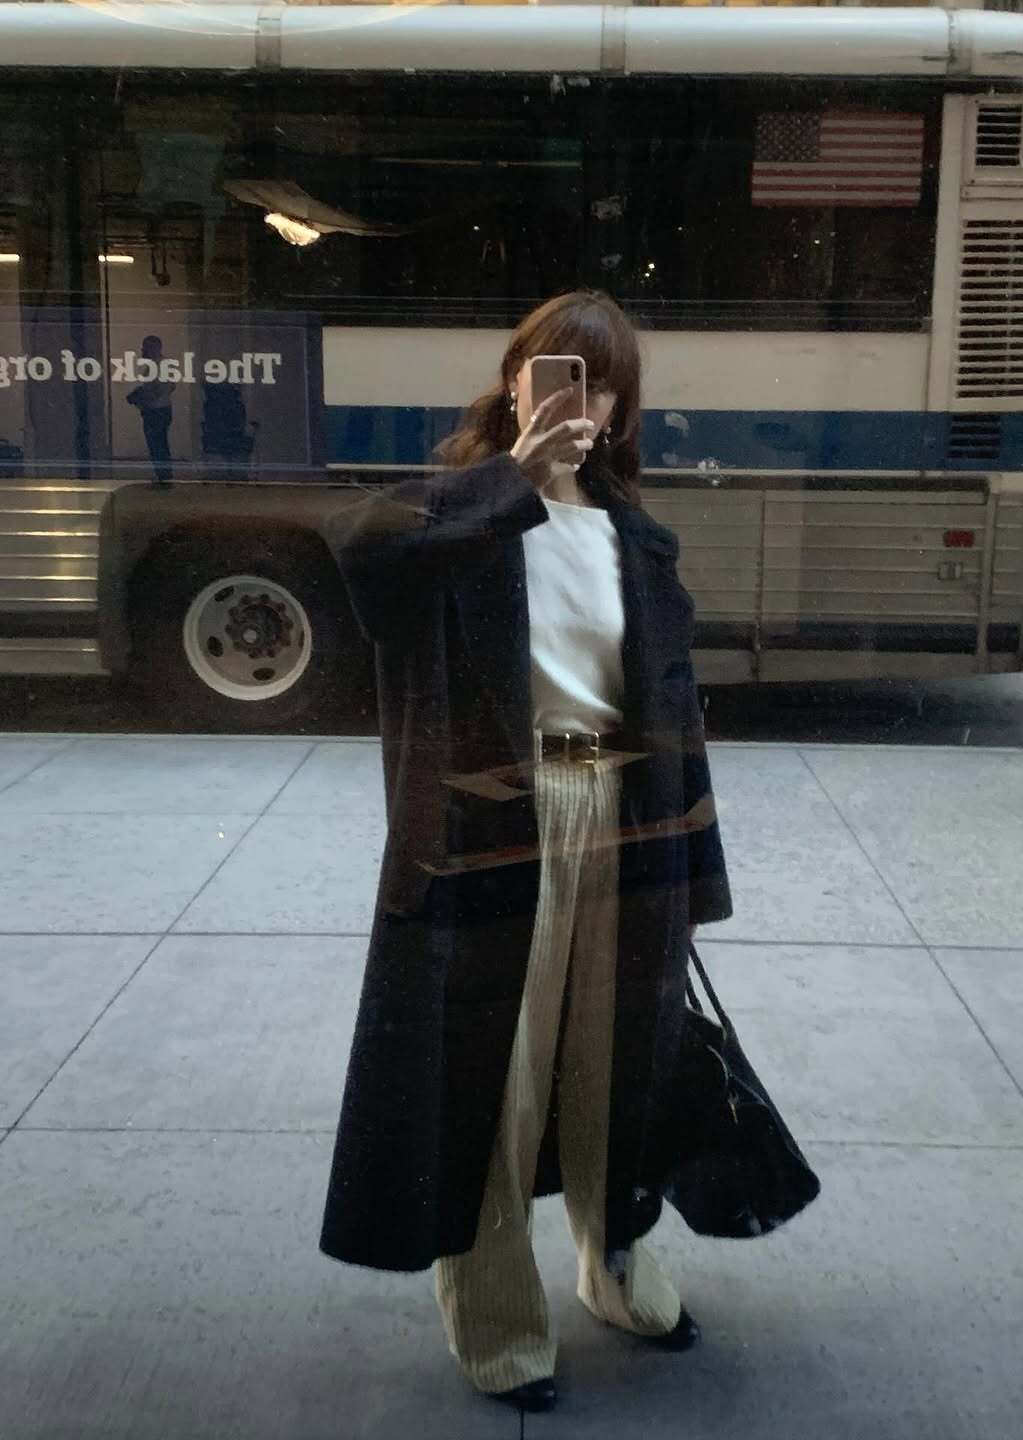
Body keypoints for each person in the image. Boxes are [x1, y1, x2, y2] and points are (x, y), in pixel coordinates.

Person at [317, 290, 734, 1413]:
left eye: (603, 387)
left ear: (624, 410)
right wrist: (513, 479)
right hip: (491, 830)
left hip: (624, 821)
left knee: (617, 1067)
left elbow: (673, 711)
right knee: (490, 1080)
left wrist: (696, 867)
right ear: (515, 382)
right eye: (560, 375)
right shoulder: (451, 511)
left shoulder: (633, 535)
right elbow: (359, 557)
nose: (579, 403)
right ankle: (498, 1322)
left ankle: (618, 1271)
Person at [125, 334, 175, 482]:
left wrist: (140, 398)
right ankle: (163, 475)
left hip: (156, 411)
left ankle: (163, 476)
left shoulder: (158, 366)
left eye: (145, 347)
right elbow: (170, 386)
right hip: (161, 409)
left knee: (157, 445)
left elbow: (158, 390)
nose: (143, 351)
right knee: (159, 444)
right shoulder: (161, 365)